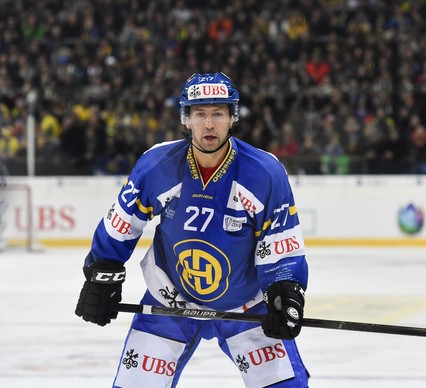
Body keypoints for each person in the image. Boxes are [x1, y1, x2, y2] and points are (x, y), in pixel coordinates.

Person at [75, 72, 310, 387]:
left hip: (247, 305)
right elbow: (122, 221)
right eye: (200, 114)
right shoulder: (157, 166)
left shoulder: (265, 173)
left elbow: (280, 241)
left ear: (232, 118)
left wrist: (285, 291)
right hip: (170, 299)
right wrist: (103, 271)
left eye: (217, 114)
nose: (209, 124)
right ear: (186, 118)